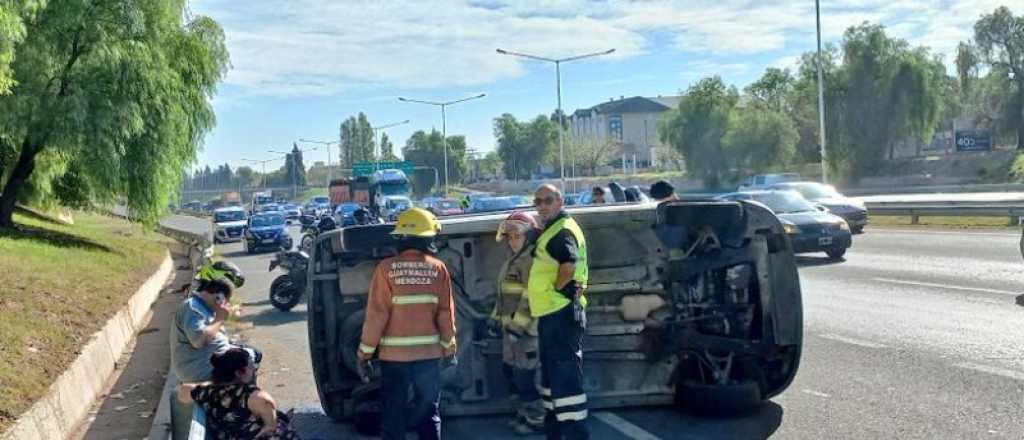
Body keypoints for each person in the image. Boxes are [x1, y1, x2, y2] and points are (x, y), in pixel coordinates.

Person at [357, 207, 457, 440]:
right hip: (428, 358)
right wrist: (449, 349)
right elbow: (445, 314)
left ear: (400, 237)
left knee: (394, 414)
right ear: (428, 238)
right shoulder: (438, 268)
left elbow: (377, 316)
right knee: (429, 413)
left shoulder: (385, 269)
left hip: (395, 359)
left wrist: (364, 354)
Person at [528, 184, 590, 440]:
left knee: (565, 381)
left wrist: (555, 288)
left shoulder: (561, 232)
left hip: (560, 313)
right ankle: (555, 432)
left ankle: (574, 435)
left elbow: (569, 264)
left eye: (548, 200)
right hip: (553, 314)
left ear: (560, 201)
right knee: (555, 379)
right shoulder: (554, 229)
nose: (542, 205)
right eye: (538, 201)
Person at [170, 261, 245, 439]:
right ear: (216, 293)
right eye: (225, 296)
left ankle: (248, 412)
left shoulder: (204, 307)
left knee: (250, 356)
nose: (225, 301)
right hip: (198, 369)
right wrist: (220, 319)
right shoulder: (192, 308)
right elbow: (198, 340)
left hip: (208, 362)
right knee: (244, 363)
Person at [493, 212, 545, 435]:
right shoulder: (511, 261)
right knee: (512, 374)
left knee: (526, 378)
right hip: (510, 333)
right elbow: (503, 297)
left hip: (526, 334)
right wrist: (494, 320)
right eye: (510, 237)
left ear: (529, 236)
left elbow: (531, 298)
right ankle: (524, 414)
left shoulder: (532, 261)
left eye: (517, 237)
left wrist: (517, 328)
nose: (512, 241)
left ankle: (537, 420)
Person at [178, 348, 300, 440]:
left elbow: (183, 392)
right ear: (239, 373)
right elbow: (266, 401)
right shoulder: (251, 395)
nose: (254, 370)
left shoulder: (210, 392)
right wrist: (270, 425)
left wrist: (211, 385)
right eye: (251, 367)